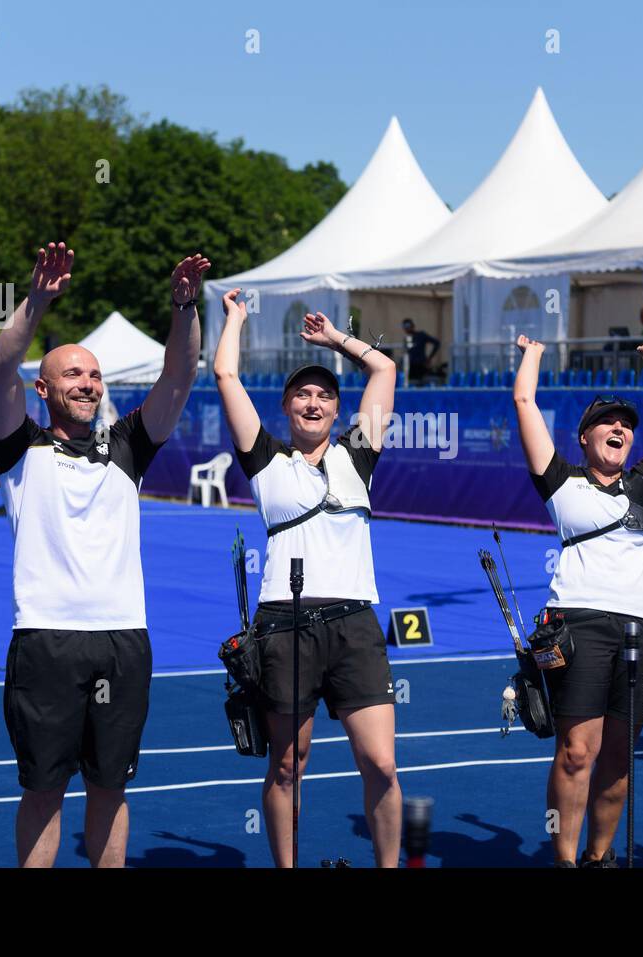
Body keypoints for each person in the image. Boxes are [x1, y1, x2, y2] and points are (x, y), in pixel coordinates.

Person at [0, 242, 211, 867]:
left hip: (122, 639)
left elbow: (180, 375)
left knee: (111, 786)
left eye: (94, 375)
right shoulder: (16, 445)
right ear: (45, 388)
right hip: (46, 640)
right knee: (43, 789)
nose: (88, 384)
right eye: (73, 375)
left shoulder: (129, 444)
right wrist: (37, 300)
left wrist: (184, 306)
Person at [214, 290, 402, 867]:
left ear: (338, 411)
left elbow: (384, 367)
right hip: (284, 624)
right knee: (288, 763)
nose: (313, 401)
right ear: (287, 408)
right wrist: (237, 318)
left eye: (324, 394)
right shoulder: (266, 459)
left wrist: (333, 341)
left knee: (381, 765)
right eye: (302, 394)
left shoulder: (359, 454)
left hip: (354, 624)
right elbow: (224, 372)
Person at [513, 333, 643, 866]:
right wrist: (536, 354)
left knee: (618, 758)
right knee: (576, 753)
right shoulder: (560, 482)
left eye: (627, 425)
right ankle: (565, 860)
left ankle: (600, 857)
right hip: (581, 624)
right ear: (584, 436)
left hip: (642, 630)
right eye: (608, 422)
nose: (620, 428)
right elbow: (524, 402)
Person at [401, 318, 439, 384]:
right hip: (411, 366)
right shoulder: (407, 338)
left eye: (408, 326)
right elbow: (407, 352)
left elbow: (436, 343)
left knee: (422, 383)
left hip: (421, 365)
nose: (406, 329)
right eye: (404, 327)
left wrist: (429, 358)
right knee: (411, 383)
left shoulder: (421, 335)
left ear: (412, 326)